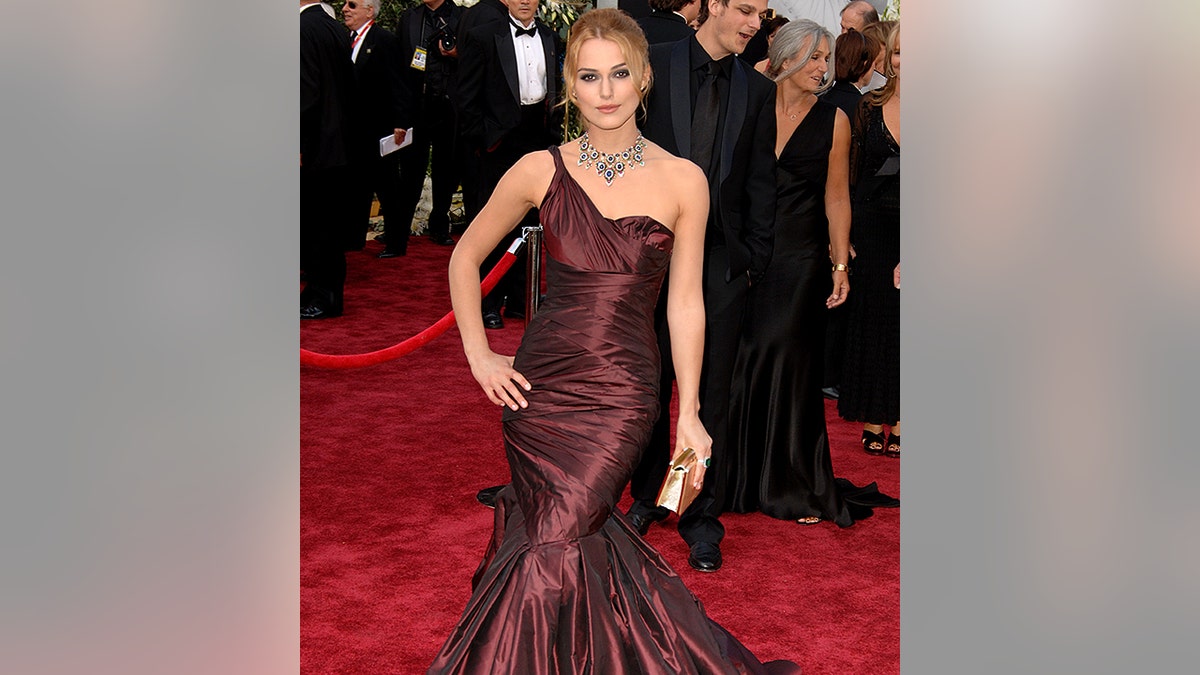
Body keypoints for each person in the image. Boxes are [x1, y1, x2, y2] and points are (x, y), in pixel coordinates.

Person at [429, 9, 800, 673]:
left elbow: (686, 303)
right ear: (570, 85)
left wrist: (686, 410)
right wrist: (478, 352)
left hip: (624, 391)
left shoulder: (684, 180)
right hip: (540, 390)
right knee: (563, 540)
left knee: (554, 539)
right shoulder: (539, 169)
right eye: (591, 75)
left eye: (619, 73)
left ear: (644, 78)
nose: (606, 90)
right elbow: (465, 258)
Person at [625, 0, 778, 574]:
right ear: (713, 4)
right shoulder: (653, 64)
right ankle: (644, 497)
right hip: (649, 251)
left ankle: (694, 510)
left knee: (710, 393)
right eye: (744, 9)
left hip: (719, 262)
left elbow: (761, 181)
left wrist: (752, 259)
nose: (753, 24)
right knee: (649, 379)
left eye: (761, 15)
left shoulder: (758, 91)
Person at [724, 19, 856, 524]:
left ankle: (794, 482)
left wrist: (839, 261)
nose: (824, 67)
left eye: (826, 58)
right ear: (786, 56)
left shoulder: (835, 118)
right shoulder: (751, 100)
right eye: (815, 56)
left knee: (786, 359)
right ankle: (737, 478)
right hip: (748, 251)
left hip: (801, 258)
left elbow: (837, 195)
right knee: (742, 358)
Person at [456, 0, 563, 329]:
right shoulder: (483, 36)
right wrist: (484, 142)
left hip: (537, 140)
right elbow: (466, 98)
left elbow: (555, 91)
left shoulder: (551, 36)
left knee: (531, 223)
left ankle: (521, 300)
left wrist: (554, 137)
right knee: (494, 224)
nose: (525, 1)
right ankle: (489, 302)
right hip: (498, 144)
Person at [839, 21, 899, 458]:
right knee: (878, 317)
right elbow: (848, 178)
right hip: (873, 228)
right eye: (899, 53)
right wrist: (845, 237)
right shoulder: (868, 106)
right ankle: (876, 416)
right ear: (887, 58)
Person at [818, 25, 880, 398]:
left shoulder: (829, 101)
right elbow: (848, 180)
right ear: (866, 64)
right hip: (847, 211)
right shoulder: (859, 108)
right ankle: (831, 374)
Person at [391, 0, 463, 253]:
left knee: (446, 169)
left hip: (448, 106)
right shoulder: (410, 17)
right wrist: (399, 115)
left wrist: (456, 54)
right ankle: (398, 231)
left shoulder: (462, 16)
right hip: (416, 107)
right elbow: (399, 66)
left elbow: (476, 59)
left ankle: (439, 226)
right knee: (410, 171)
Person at [343, 0, 412, 256]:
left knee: (387, 187)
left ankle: (396, 242)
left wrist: (400, 122)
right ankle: (353, 238)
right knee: (356, 185)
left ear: (369, 10)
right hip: (354, 130)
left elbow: (399, 83)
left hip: (381, 128)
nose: (345, 9)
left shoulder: (384, 40)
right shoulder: (346, 38)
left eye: (352, 5)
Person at [300, 0, 356, 319]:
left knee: (317, 225)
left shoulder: (304, 27)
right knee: (325, 225)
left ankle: (324, 297)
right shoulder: (331, 26)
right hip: (335, 142)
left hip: (314, 146)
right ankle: (322, 293)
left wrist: (298, 143)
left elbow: (305, 93)